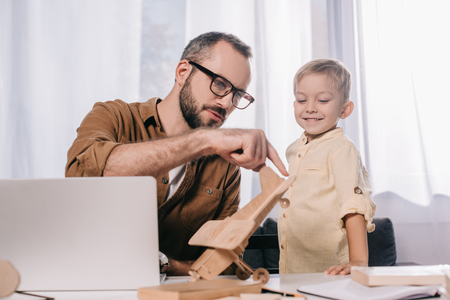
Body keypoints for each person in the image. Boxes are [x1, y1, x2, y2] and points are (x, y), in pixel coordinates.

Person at [65, 32, 288, 276]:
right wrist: (203, 141)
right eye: (220, 84)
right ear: (183, 72)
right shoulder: (114, 116)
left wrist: (165, 265)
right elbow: (82, 177)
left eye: (237, 95)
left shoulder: (226, 167)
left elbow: (227, 263)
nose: (226, 104)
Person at [278, 58, 376, 275]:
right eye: (302, 100)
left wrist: (359, 260)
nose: (310, 108)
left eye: (322, 100)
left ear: (344, 109)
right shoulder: (294, 149)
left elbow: (353, 206)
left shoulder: (341, 149)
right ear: (294, 104)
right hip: (293, 271)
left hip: (330, 272)